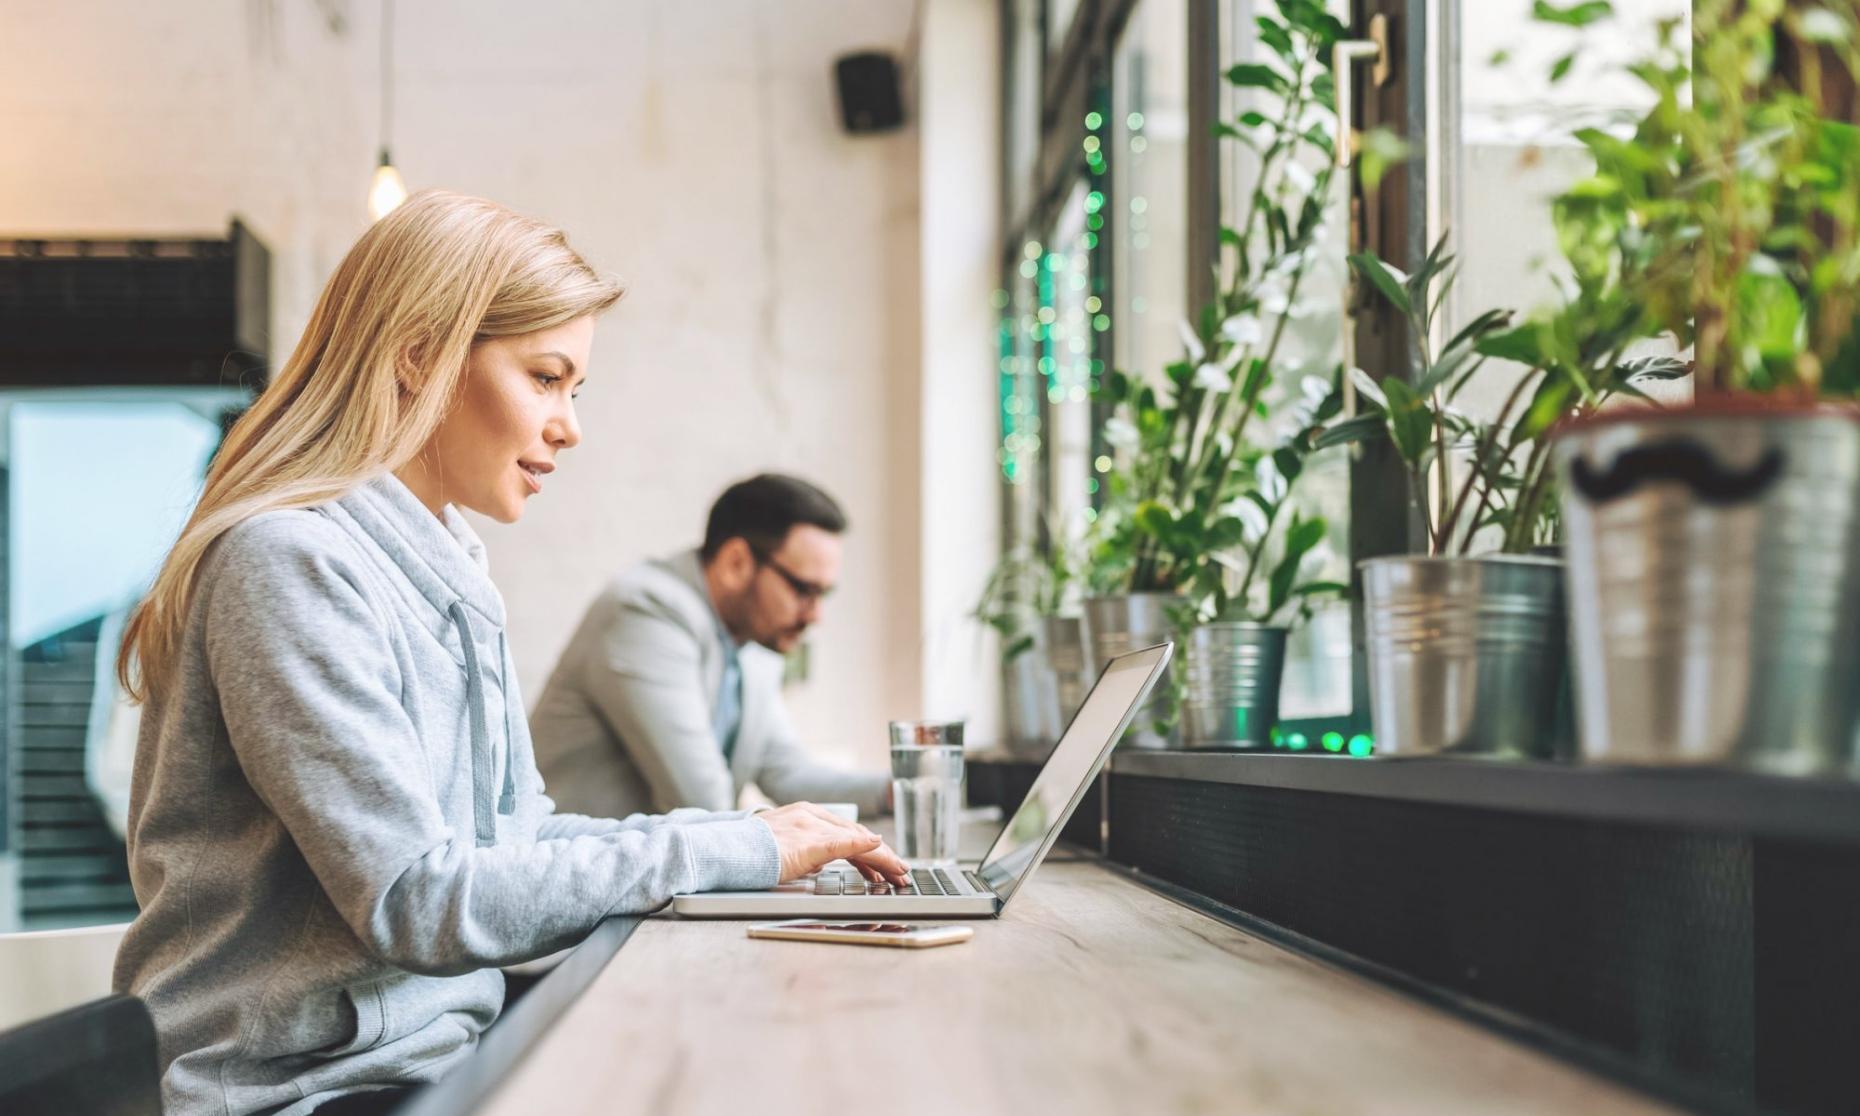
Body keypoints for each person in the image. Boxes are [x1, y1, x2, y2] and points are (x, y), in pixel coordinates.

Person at [110, 190, 906, 1116]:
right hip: (302, 1091)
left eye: (576, 389)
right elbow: (416, 897)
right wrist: (736, 846)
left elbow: (516, 841)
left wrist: (761, 843)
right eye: (546, 378)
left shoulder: (450, 568)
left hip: (438, 1055)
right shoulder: (288, 562)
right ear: (419, 356)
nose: (571, 425)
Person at [530, 474, 890, 821]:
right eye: (803, 591)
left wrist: (907, 789)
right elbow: (700, 803)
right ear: (736, 562)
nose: (816, 616)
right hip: (575, 873)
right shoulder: (645, 612)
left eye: (823, 594)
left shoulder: (752, 644)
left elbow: (789, 776)